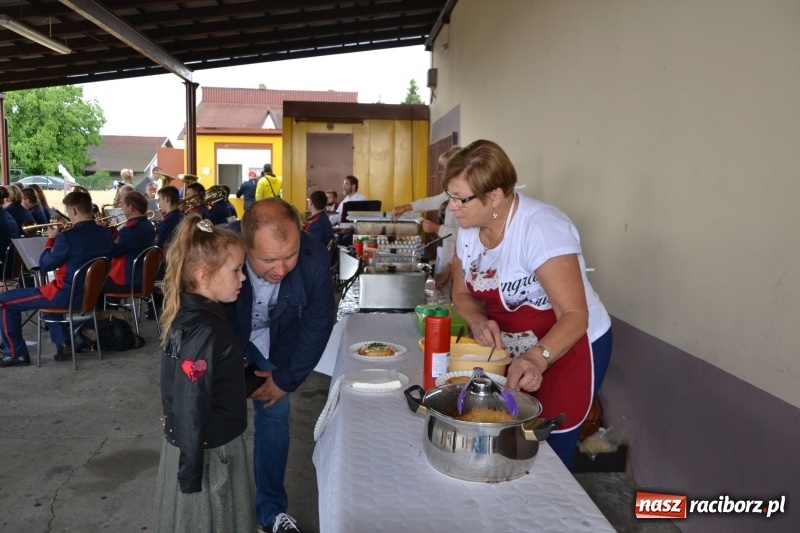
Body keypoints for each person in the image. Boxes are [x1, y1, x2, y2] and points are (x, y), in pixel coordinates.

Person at [445, 140, 613, 471]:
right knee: (510, 435)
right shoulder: (467, 230)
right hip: (516, 348)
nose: (452, 207)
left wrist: (537, 357)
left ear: (493, 197)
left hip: (567, 347)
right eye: (449, 197)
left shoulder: (541, 228)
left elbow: (574, 315)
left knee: (548, 448)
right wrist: (479, 321)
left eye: (459, 198)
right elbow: (461, 294)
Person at [225, 198, 334, 533]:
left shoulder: (314, 260)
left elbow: (318, 324)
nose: (283, 268)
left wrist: (286, 380)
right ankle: (211, 510)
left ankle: (270, 513)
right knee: (214, 421)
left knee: (275, 411)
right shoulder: (218, 252)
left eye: (290, 255)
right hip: (222, 339)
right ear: (244, 247)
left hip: (276, 340)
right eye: (270, 259)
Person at [153, 215, 256, 533]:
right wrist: (191, 472)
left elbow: (206, 383)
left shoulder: (203, 316)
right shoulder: (203, 329)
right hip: (206, 454)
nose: (242, 278)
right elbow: (190, 402)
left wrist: (253, 377)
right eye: (236, 270)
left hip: (200, 442)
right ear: (203, 275)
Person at [0, 190, 112, 366]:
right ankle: (64, 343)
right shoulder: (104, 233)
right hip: (88, 297)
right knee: (45, 302)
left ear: (74, 211)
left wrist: (51, 240)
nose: (68, 215)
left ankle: (15, 354)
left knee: (4, 301)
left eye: (68, 212)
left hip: (64, 296)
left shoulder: (67, 237)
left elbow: (45, 265)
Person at [391, 145, 462, 291]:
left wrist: (436, 228)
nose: (443, 172)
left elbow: (462, 236)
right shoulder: (451, 191)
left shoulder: (464, 196)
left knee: (449, 295)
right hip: (445, 251)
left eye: (446, 168)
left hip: (456, 258)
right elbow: (431, 201)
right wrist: (405, 207)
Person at [102, 191, 155, 299]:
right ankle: (113, 311)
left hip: (128, 281)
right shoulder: (149, 225)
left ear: (131, 208)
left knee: (91, 283)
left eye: (123, 206)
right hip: (143, 279)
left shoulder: (129, 230)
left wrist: (102, 233)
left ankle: (109, 314)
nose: (122, 209)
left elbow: (110, 251)